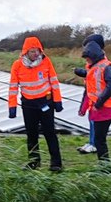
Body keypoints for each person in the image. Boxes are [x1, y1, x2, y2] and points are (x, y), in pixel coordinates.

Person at [7, 35, 63, 171]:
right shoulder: (17, 65)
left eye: (38, 50)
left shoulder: (46, 62)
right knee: (31, 134)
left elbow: (54, 82)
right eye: (32, 51)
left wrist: (57, 100)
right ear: (26, 52)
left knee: (50, 132)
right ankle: (34, 162)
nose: (35, 54)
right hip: (28, 104)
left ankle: (56, 163)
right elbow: (13, 87)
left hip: (45, 102)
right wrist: (12, 106)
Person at [78, 37, 111, 166]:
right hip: (100, 108)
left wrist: (99, 103)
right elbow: (90, 89)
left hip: (106, 108)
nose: (86, 60)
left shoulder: (104, 66)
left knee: (99, 140)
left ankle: (105, 167)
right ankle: (104, 166)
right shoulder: (95, 66)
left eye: (87, 58)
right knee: (99, 139)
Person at [73, 33, 105, 153]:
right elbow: (90, 75)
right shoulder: (93, 62)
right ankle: (92, 142)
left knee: (95, 123)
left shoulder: (100, 63)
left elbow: (97, 78)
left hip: (98, 100)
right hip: (92, 98)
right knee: (91, 121)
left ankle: (95, 144)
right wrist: (81, 72)